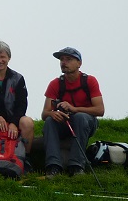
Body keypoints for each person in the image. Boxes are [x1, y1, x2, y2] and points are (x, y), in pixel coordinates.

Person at [40, 47, 105, 177]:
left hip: (85, 122)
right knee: (49, 121)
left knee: (80, 117)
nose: (64, 62)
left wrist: (74, 109)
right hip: (64, 123)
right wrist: (53, 113)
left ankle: (76, 166)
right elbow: (44, 114)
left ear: (79, 63)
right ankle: (53, 166)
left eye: (68, 59)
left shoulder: (90, 81)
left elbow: (100, 110)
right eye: (62, 60)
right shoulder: (55, 84)